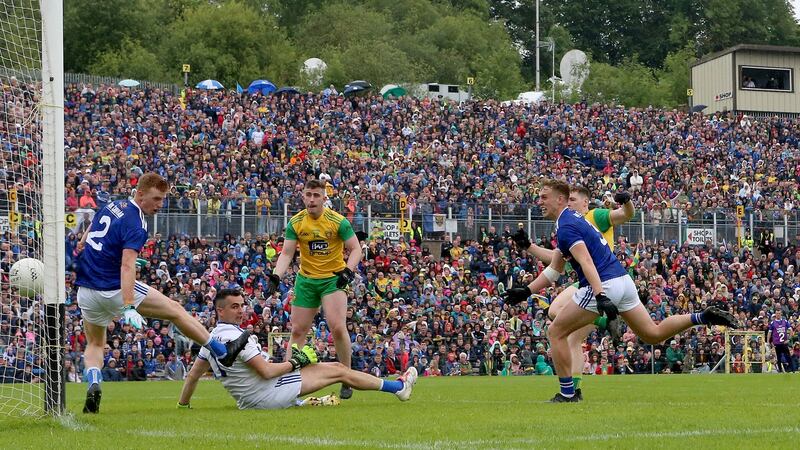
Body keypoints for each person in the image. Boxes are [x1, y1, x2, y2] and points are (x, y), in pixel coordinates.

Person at [501, 179, 738, 402]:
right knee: (652, 334)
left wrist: (600, 295)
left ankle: (567, 393)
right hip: (623, 281)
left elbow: (586, 262)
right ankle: (701, 317)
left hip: (603, 284)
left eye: (544, 197)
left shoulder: (567, 225)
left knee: (556, 331)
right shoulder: (573, 220)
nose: (539, 201)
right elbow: (555, 269)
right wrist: (526, 290)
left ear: (560, 199)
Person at [75, 173, 251, 414]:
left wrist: (86, 244)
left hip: (86, 290)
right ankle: (223, 352)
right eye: (156, 199)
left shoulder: (113, 205)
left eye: (162, 200)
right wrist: (127, 306)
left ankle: (94, 381)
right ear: (140, 194)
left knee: (95, 343)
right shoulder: (137, 224)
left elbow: (92, 233)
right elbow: (127, 267)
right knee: (176, 311)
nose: (159, 205)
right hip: (113, 287)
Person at [177, 289, 416, 409]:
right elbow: (267, 372)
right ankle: (399, 388)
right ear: (220, 311)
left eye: (242, 305)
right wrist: (296, 361)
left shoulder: (211, 338)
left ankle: (304, 402)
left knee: (333, 367)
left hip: (250, 399)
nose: (241, 311)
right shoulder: (238, 337)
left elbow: (193, 375)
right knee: (340, 370)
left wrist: (183, 405)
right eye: (234, 307)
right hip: (267, 394)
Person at [511, 184, 634, 399]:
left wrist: (627, 202)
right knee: (572, 339)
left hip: (600, 280)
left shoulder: (595, 216)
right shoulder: (569, 224)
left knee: (555, 313)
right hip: (599, 280)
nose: (569, 204)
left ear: (585, 202)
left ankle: (606, 320)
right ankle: (573, 390)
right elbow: (556, 261)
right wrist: (529, 246)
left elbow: (626, 214)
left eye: (573, 200)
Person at [267, 179, 363, 399]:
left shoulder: (337, 222)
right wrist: (275, 276)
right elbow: (287, 253)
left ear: (324, 198)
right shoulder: (296, 222)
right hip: (307, 280)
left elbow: (356, 249)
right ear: (303, 197)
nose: (311, 199)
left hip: (333, 279)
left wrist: (349, 271)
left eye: (316, 195)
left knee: (337, 327)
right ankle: (286, 380)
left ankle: (346, 377)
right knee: (298, 331)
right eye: (308, 195)